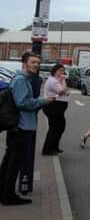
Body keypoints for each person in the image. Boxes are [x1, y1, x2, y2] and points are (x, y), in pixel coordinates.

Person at [0, 52, 53, 205]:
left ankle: (4, 192)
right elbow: (22, 102)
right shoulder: (21, 80)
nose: (36, 65)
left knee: (9, 160)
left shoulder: (22, 79)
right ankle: (8, 196)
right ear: (24, 63)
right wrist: (42, 101)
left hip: (18, 127)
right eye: (33, 62)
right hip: (21, 127)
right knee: (14, 162)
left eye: (38, 62)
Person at [41, 64, 69, 155]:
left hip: (57, 107)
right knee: (54, 128)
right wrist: (64, 80)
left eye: (63, 71)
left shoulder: (57, 80)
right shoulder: (53, 81)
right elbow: (61, 91)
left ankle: (54, 147)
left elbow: (65, 91)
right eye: (60, 70)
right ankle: (47, 149)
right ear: (55, 71)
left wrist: (63, 86)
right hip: (53, 107)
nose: (62, 73)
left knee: (60, 127)